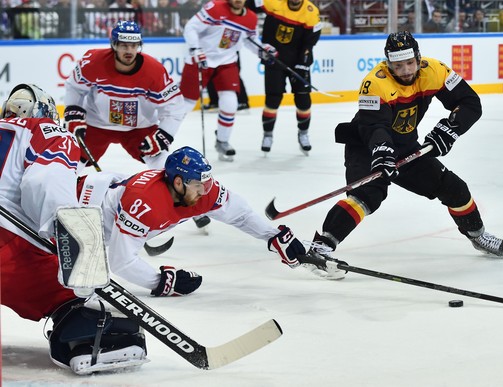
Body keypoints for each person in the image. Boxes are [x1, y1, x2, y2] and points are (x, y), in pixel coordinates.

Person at [305, 31, 503, 264]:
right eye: (398, 65)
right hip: (366, 145)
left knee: (454, 188)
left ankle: (479, 235)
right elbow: (374, 125)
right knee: (368, 194)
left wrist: (450, 129)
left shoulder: (435, 71)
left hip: (405, 145)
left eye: (410, 63)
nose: (405, 70)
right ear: (388, 63)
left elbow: (470, 103)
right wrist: (382, 151)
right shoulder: (374, 83)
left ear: (418, 58)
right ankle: (321, 246)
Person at [0, 83, 148, 375]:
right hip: (7, 246)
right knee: (77, 299)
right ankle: (81, 334)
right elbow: (44, 185)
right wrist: (73, 247)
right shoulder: (43, 131)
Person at [78, 145, 337, 294]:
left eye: (206, 184)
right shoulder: (146, 202)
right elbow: (121, 262)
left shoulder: (202, 190)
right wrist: (162, 282)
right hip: (75, 211)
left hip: (100, 213)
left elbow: (241, 215)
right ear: (177, 182)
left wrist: (273, 236)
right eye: (197, 186)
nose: (205, 192)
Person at [63, 20, 183, 171]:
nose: (129, 51)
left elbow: (175, 107)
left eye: (134, 46)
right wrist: (73, 111)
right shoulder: (93, 61)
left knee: (165, 167)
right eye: (123, 45)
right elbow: (74, 86)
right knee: (69, 165)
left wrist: (164, 134)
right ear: (114, 45)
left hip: (138, 127)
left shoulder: (155, 72)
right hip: (97, 124)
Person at [179, 0, 275, 162]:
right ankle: (162, 136)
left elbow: (250, 41)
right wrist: (195, 48)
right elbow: (191, 27)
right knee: (185, 103)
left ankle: (222, 141)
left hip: (227, 61)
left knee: (230, 102)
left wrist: (263, 50)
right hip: (201, 58)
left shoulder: (250, 18)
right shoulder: (215, 8)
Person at [248, 0, 322, 155]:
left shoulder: (311, 12)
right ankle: (267, 135)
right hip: (274, 60)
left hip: (299, 62)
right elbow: (246, 6)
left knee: (303, 101)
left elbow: (310, 43)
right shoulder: (272, 2)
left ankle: (303, 133)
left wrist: (303, 63)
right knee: (272, 100)